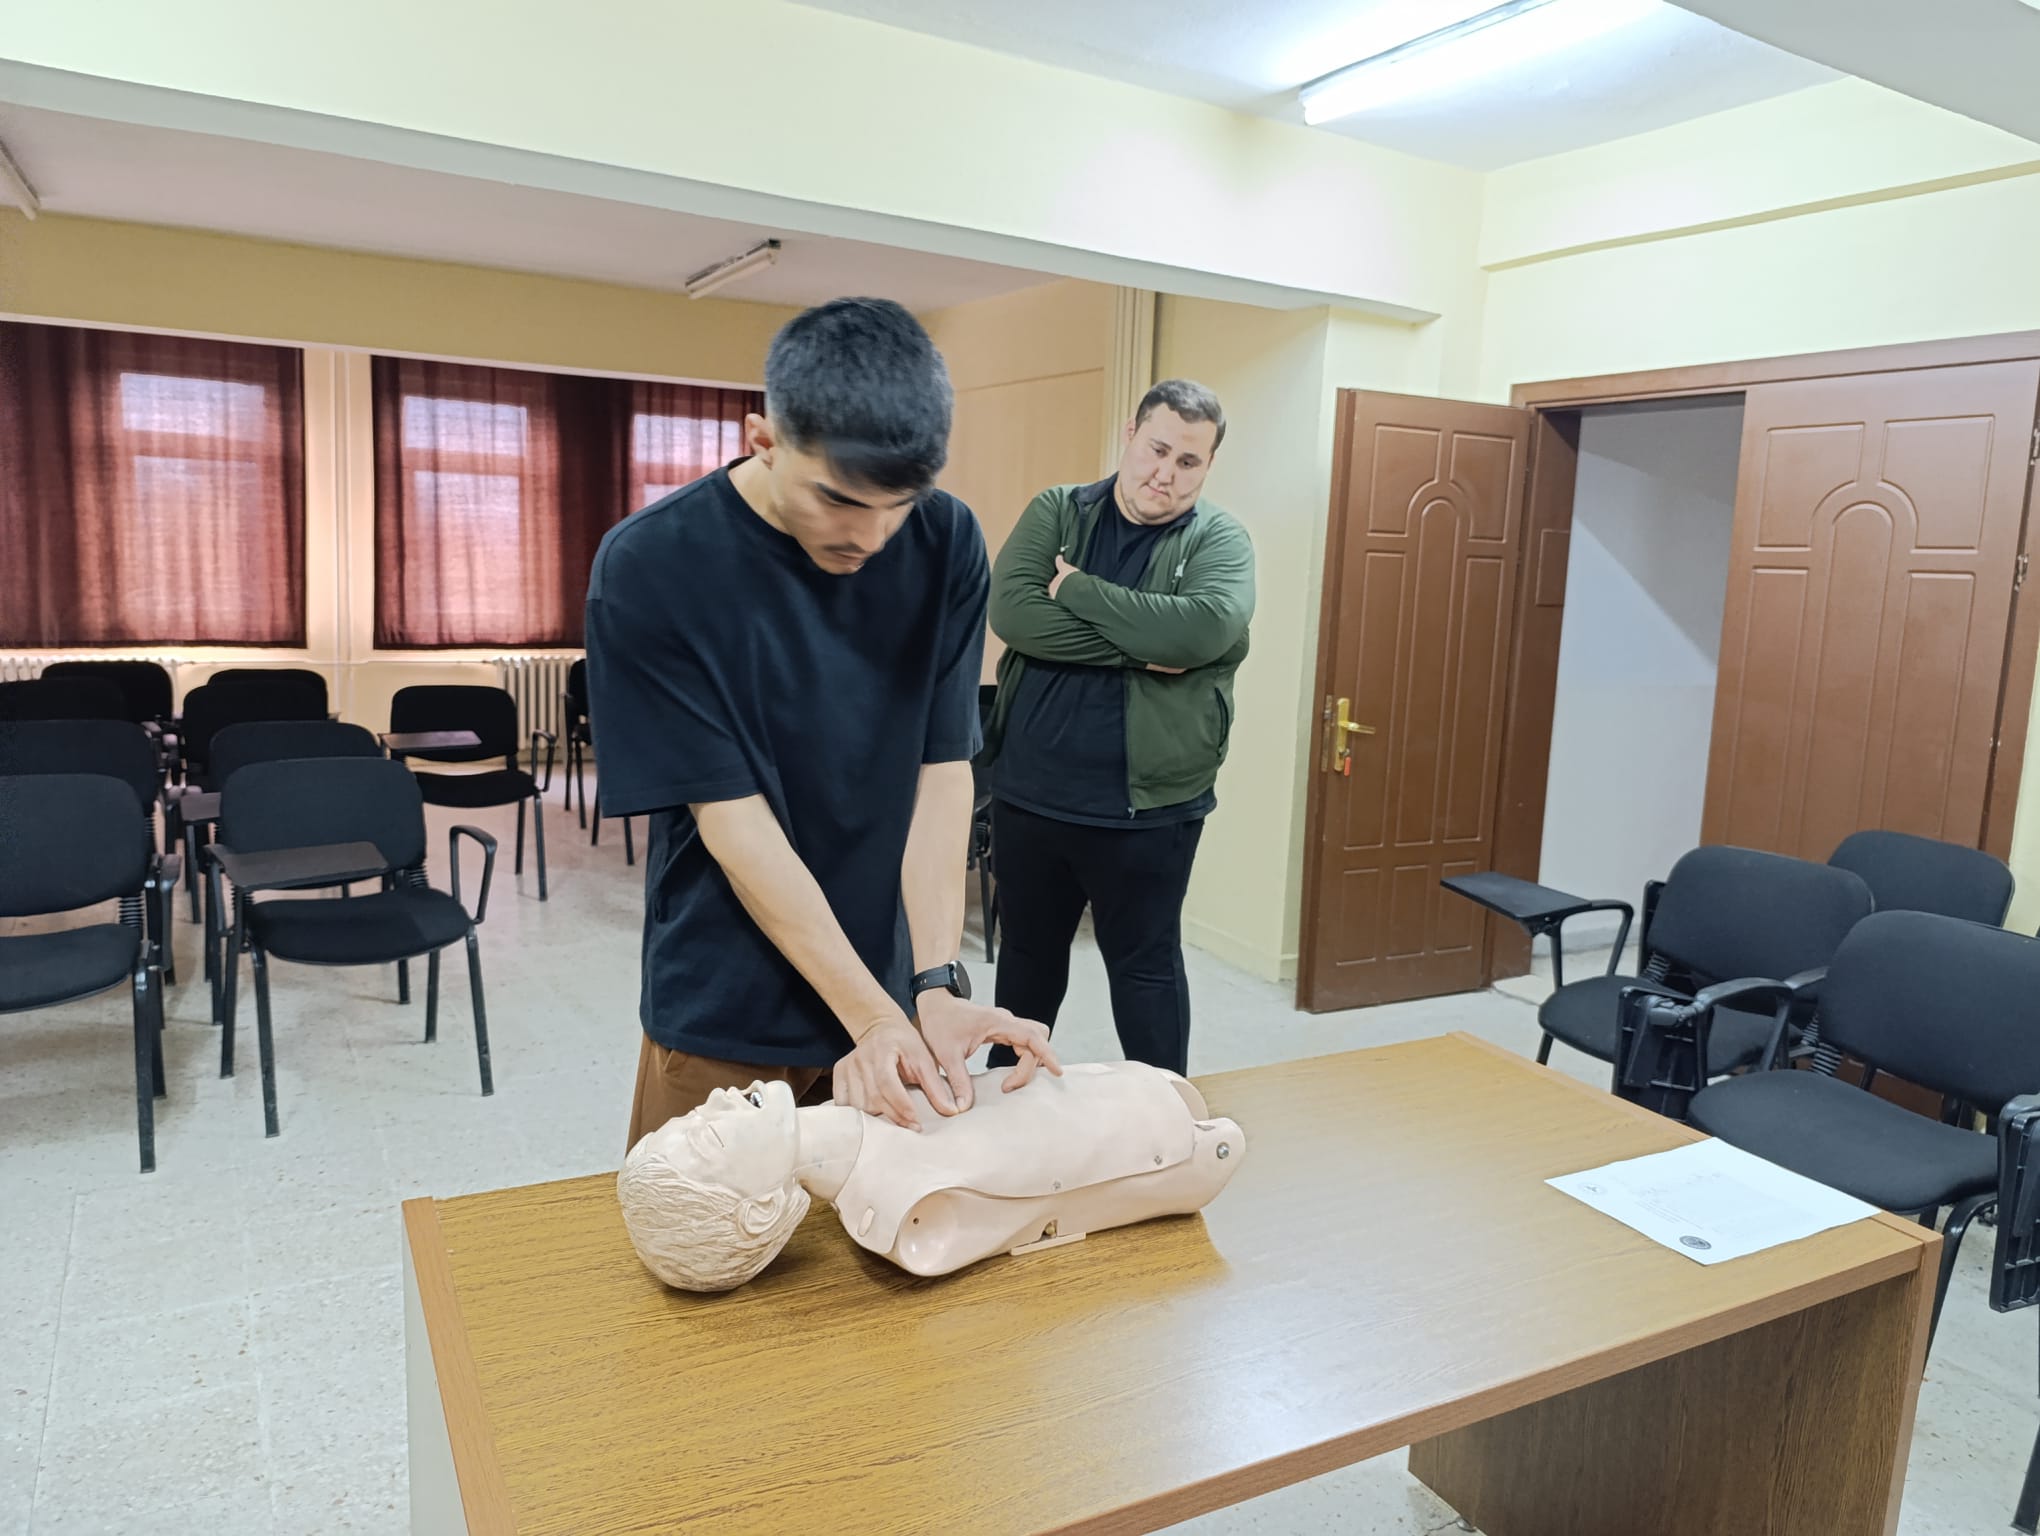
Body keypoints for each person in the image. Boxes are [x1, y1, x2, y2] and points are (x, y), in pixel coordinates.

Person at [585, 297, 1059, 1152]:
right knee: (700, 1252)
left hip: (887, 996)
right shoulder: (653, 565)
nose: (872, 536)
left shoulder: (947, 540)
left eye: (899, 503)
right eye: (840, 499)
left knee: (883, 1259)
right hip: (727, 1003)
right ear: (763, 439)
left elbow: (941, 772)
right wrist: (875, 1017)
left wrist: (935, 985)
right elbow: (733, 821)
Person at [982, 380, 1254, 1077]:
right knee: (1026, 965)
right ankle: (1003, 1124)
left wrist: (1075, 591)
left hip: (1150, 810)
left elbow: (1204, 629)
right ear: (1130, 435)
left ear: (1208, 466)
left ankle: (1167, 1121)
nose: (1166, 472)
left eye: (1189, 461)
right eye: (1158, 448)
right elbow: (1013, 615)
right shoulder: (1058, 510)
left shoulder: (1219, 538)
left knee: (1145, 970)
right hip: (1030, 794)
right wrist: (1150, 642)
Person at [616, 1061, 1246, 1290]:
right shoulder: (902, 1214)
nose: (722, 1096)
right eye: (710, 1131)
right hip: (1156, 1140)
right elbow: (1048, 1183)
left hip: (1118, 1086)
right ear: (757, 1211)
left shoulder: (859, 1088)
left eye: (699, 1111)